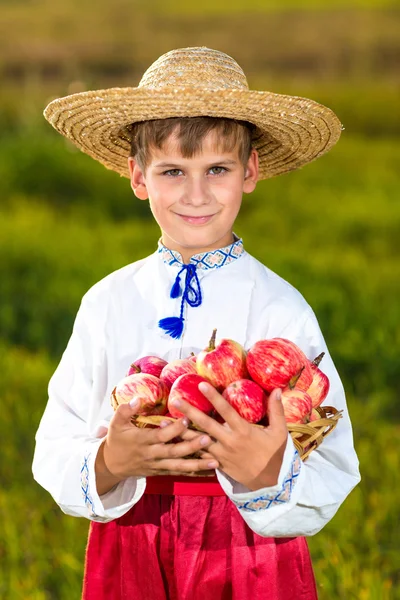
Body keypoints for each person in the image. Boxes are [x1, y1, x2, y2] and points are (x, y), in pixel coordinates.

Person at [33, 47, 361, 600]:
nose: (196, 194)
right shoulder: (108, 302)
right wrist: (112, 461)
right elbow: (55, 444)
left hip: (249, 548)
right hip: (133, 541)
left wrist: (269, 473)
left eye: (217, 169)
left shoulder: (280, 306)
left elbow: (334, 461)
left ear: (250, 171)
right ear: (138, 177)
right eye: (172, 171)